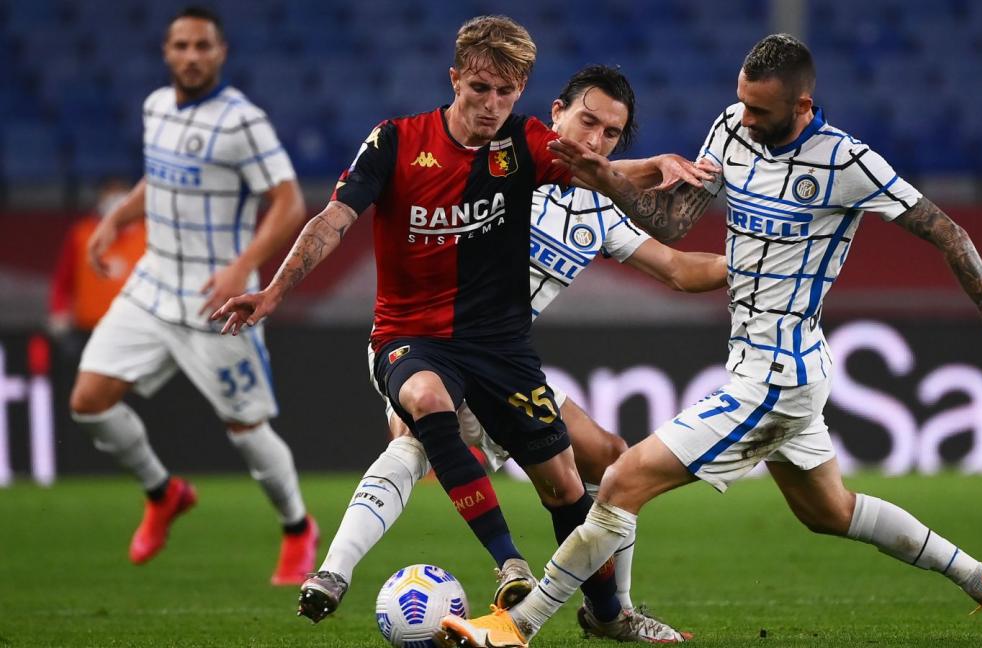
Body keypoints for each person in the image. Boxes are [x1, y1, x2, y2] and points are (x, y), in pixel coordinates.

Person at [440, 33, 982, 647]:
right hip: (764, 365)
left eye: (760, 109)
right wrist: (608, 177)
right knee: (829, 511)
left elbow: (951, 235)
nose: (744, 116)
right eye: (741, 101)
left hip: (779, 376)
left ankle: (517, 627)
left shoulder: (847, 163)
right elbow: (672, 222)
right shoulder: (733, 128)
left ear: (803, 107)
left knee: (623, 479)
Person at [214, 16, 712, 642]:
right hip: (412, 336)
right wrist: (275, 289)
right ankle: (458, 565)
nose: (493, 106)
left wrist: (656, 173)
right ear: (455, 79)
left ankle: (610, 614)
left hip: (500, 348)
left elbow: (605, 181)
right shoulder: (397, 141)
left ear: (524, 93)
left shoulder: (528, 149)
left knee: (570, 480)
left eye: (507, 94)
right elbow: (333, 218)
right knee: (423, 411)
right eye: (481, 89)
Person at [68, 6, 318, 585]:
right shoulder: (156, 106)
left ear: (220, 52)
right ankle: (164, 493)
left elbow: (288, 204)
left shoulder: (242, 122)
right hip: (153, 286)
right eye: (181, 45)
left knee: (247, 429)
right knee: (88, 402)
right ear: (167, 52)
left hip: (217, 300)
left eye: (203, 45)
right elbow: (159, 176)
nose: (191, 55)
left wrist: (242, 268)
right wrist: (117, 220)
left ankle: (298, 527)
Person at [49, 178, 145, 338]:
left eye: (120, 194)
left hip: (135, 326)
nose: (115, 201)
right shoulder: (82, 233)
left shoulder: (147, 233)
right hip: (89, 326)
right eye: (110, 195)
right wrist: (59, 310)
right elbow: (64, 278)